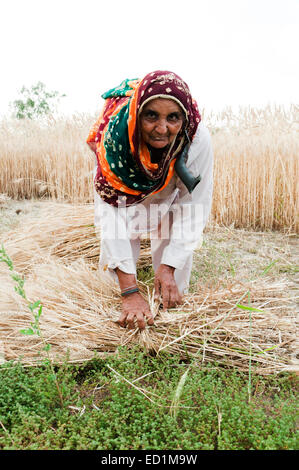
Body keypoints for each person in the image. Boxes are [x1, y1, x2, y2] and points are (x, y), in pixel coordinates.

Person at [86, 71, 213, 330]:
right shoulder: (116, 141)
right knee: (114, 288)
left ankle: (164, 300)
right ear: (137, 114)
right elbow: (112, 214)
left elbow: (194, 206)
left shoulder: (196, 137)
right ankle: (121, 302)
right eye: (151, 115)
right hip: (125, 183)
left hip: (169, 187)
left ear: (184, 117)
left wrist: (169, 266)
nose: (162, 129)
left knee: (174, 285)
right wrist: (129, 291)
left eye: (173, 117)